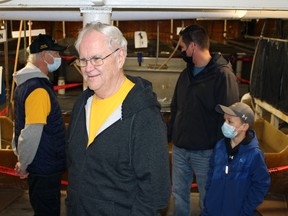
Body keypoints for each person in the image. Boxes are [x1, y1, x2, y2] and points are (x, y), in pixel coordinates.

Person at [65, 22, 171, 216]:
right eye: (83, 60)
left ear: (119, 57)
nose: (88, 68)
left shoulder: (144, 117)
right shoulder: (82, 104)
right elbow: (75, 167)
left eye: (97, 59)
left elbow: (155, 194)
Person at [167, 24, 239, 216]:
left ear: (193, 46)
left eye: (183, 46)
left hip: (206, 153)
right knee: (179, 195)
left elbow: (230, 117)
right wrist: (169, 135)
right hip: (181, 149)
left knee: (208, 197)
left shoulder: (222, 76)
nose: (181, 51)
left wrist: (223, 152)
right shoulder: (186, 74)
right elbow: (176, 108)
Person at [12, 33, 67, 216]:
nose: (59, 58)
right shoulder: (38, 90)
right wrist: (24, 163)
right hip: (45, 166)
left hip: (40, 164)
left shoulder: (25, 85)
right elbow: (30, 132)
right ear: (45, 56)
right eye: (56, 54)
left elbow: (18, 125)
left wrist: (21, 158)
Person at [202, 102, 271, 216]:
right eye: (225, 120)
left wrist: (245, 211)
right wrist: (208, 201)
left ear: (244, 126)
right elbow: (211, 173)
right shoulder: (220, 146)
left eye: (230, 121)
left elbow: (261, 185)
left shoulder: (254, 155)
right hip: (211, 211)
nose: (225, 125)